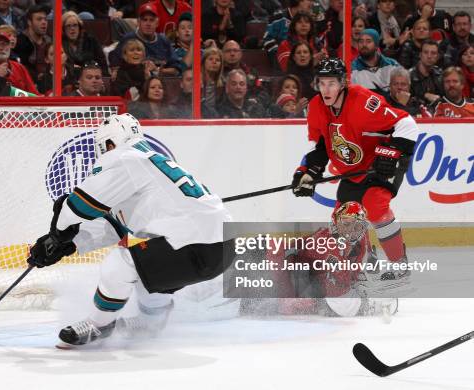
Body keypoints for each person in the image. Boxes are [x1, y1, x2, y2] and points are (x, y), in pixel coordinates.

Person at [26, 113, 232, 347]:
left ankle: (99, 325)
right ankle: (151, 324)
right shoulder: (148, 164)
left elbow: (77, 206)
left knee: (123, 259)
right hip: (221, 250)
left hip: (193, 247)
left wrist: (55, 238)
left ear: (110, 143)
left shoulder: (124, 158)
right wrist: (70, 246)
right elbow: (113, 227)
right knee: (146, 261)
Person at [292, 57, 418, 285]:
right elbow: (319, 146)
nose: (326, 89)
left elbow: (406, 123)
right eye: (322, 83)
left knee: (374, 203)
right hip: (355, 169)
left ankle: (400, 266)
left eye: (331, 83)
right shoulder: (316, 107)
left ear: (343, 83)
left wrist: (390, 154)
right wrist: (308, 172)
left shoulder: (363, 100)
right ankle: (362, 264)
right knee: (344, 219)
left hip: (384, 161)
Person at [242, 202, 397, 318]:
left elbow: (346, 276)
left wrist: (356, 280)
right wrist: (366, 305)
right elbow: (339, 296)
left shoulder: (360, 240)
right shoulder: (329, 247)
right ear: (335, 223)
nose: (351, 231)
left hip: (284, 261)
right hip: (271, 261)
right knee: (267, 305)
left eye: (357, 226)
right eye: (346, 224)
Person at [109, 3, 181, 76]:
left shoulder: (164, 41)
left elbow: (176, 70)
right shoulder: (128, 39)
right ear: (138, 22)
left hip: (160, 84)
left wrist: (158, 70)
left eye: (151, 20)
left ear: (157, 23)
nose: (148, 23)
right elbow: (115, 66)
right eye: (145, 20)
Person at [0, 31, 40, 96]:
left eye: (5, 44)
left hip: (21, 105)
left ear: (9, 47)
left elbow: (34, 95)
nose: (1, 48)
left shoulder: (19, 67)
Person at [351, 28, 403, 94]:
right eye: (361, 41)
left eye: (368, 41)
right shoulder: (352, 69)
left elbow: (403, 88)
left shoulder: (392, 65)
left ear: (376, 46)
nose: (364, 44)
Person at [62, 11, 109, 77]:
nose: (72, 28)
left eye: (75, 25)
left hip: (91, 78)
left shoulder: (91, 41)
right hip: (69, 79)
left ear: (79, 27)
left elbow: (102, 64)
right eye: (68, 26)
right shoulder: (59, 44)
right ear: (63, 29)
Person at [14, 4, 51, 82]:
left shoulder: (50, 41)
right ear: (29, 22)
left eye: (45, 19)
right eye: (39, 19)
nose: (44, 22)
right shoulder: (20, 42)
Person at [408, 39, 443, 107]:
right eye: (426, 52)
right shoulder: (408, 76)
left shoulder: (441, 75)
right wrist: (424, 96)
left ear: (437, 57)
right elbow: (403, 100)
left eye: (433, 53)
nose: (429, 56)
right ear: (420, 55)